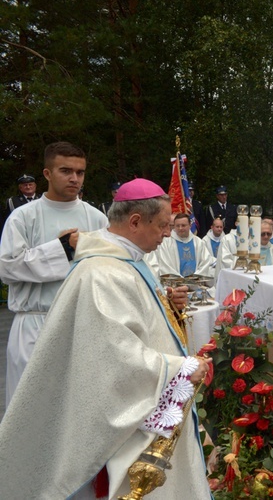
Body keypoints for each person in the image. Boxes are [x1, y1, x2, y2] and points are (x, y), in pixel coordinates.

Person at [0, 178, 211, 498]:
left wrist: (167, 304)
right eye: (163, 225)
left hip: (147, 407)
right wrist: (178, 368)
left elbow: (137, 320)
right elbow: (112, 357)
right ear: (136, 221)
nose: (168, 233)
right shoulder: (101, 272)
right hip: (125, 421)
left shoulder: (129, 257)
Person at [0, 142, 108, 406]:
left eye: (80, 172)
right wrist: (62, 249)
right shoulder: (23, 217)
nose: (74, 178)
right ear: (47, 174)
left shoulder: (96, 219)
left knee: (78, 407)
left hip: (81, 324)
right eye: (66, 170)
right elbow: (8, 267)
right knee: (30, 408)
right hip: (35, 324)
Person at [147, 212, 214, 278]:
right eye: (177, 226)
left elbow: (205, 263)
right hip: (175, 285)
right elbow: (165, 265)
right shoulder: (166, 243)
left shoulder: (198, 242)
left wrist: (194, 278)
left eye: (183, 225)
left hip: (196, 283)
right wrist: (180, 281)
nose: (180, 228)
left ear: (190, 225)